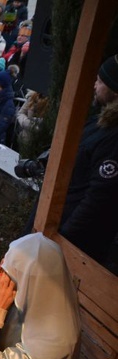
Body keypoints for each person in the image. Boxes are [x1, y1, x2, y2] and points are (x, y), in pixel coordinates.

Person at [58, 55, 118, 268]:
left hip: (71, 241)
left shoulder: (113, 137)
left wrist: (64, 234)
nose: (94, 84)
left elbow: (99, 196)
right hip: (59, 224)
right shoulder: (99, 123)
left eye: (100, 81)